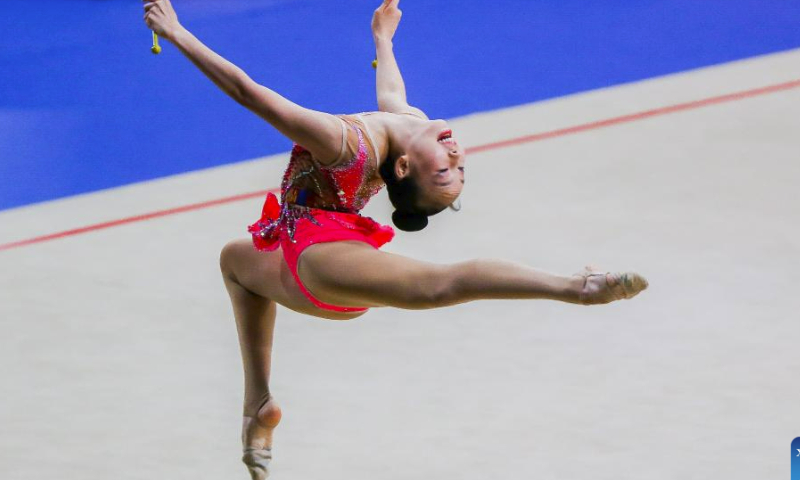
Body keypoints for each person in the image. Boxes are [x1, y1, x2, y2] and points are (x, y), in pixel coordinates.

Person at [143, 0, 649, 478]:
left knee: (441, 284)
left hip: (323, 257)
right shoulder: (410, 127)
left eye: (446, 172)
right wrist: (383, 40)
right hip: (308, 254)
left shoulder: (342, 144)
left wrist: (177, 32)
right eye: (459, 167)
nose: (455, 157)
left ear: (403, 168)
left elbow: (249, 93)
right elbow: (392, 98)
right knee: (234, 262)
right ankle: (257, 404)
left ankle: (573, 286)